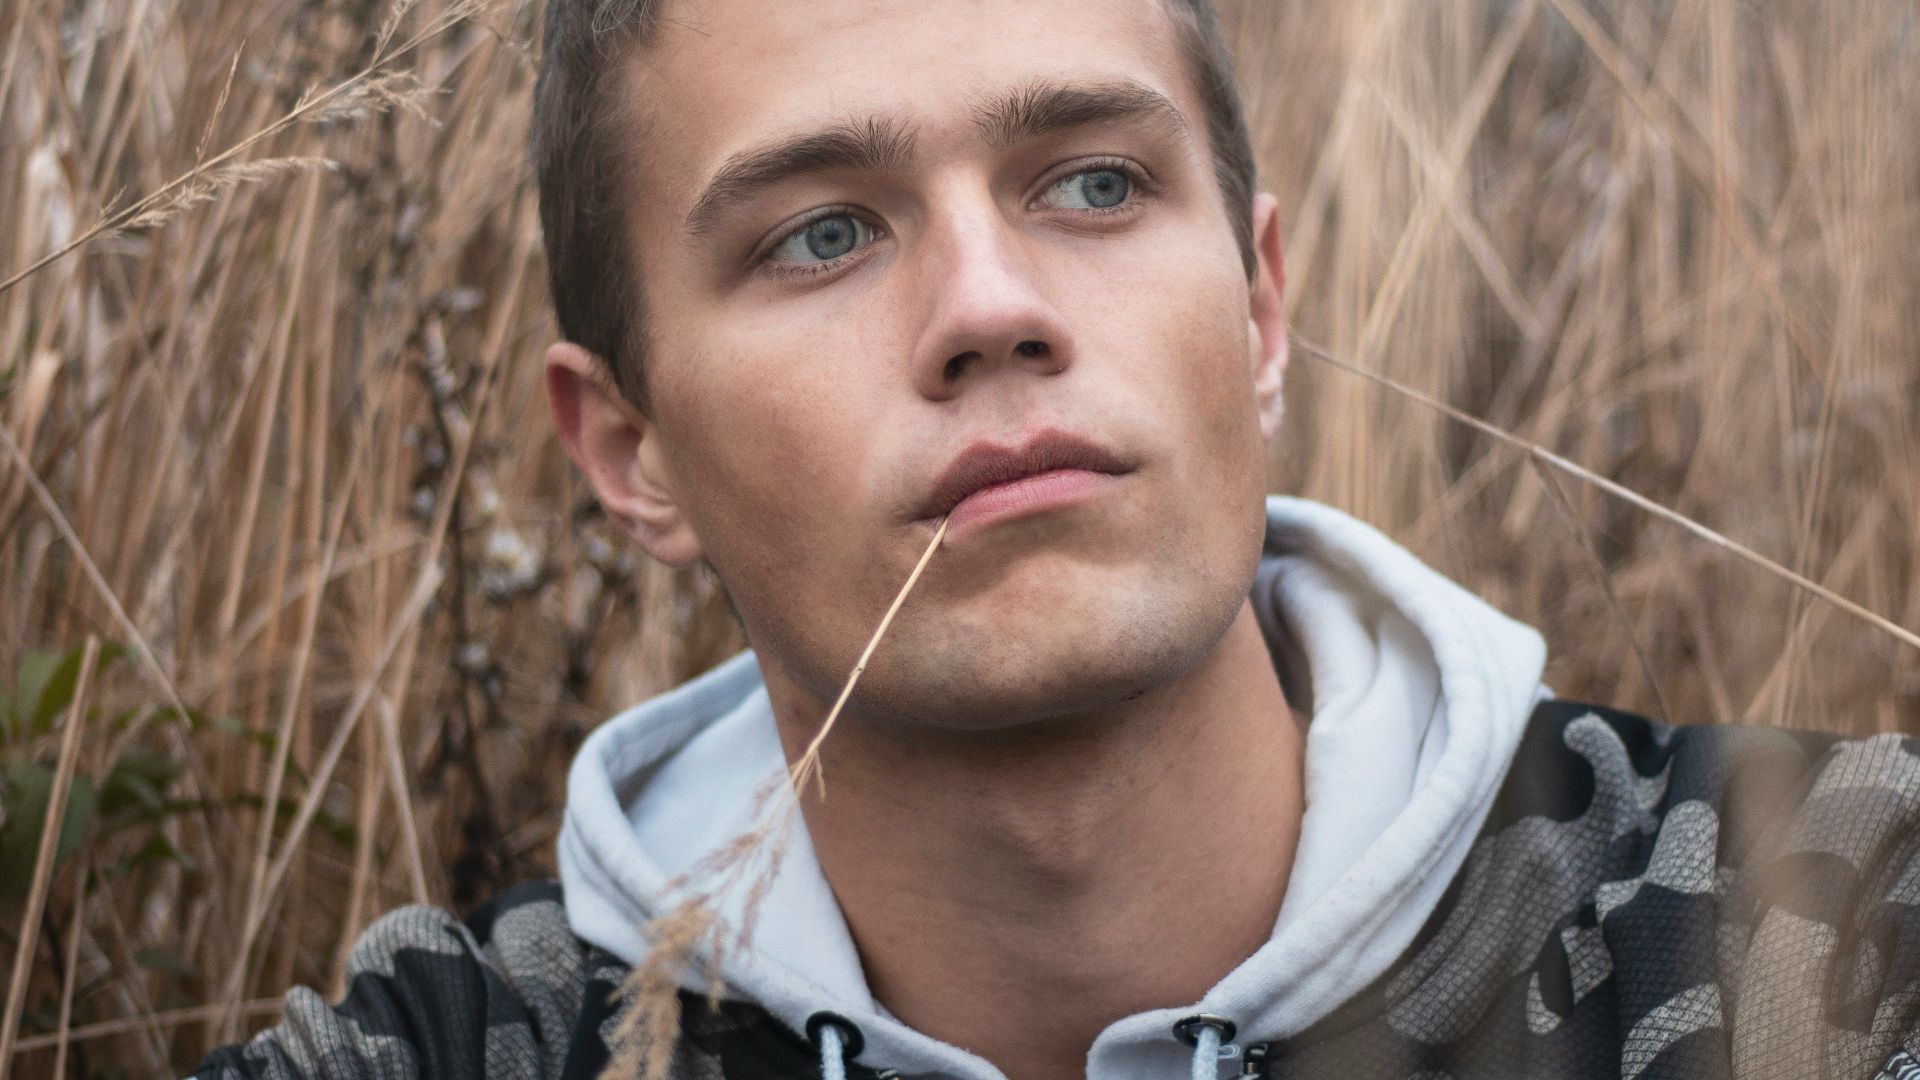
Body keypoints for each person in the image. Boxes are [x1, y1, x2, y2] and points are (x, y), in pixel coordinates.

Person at [192, 1, 1920, 1078]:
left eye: (1092, 182)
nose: (992, 308)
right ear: (631, 452)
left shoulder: (1824, 930)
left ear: (1256, 309)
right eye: (821, 235)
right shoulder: (465, 1052)